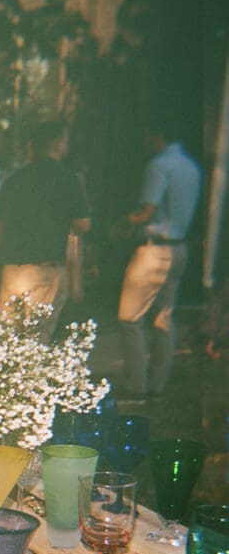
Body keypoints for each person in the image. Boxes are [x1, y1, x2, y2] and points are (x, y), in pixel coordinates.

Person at [116, 124, 201, 399]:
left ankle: (136, 385)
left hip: (154, 249)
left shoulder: (158, 165)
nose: (144, 143)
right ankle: (157, 385)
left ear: (157, 136)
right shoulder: (191, 167)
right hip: (179, 248)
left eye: (146, 137)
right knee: (164, 317)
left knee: (129, 318)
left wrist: (121, 223)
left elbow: (147, 211)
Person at [0, 121, 90, 340]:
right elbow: (83, 224)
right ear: (56, 144)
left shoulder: (14, 179)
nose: (66, 147)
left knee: (9, 339)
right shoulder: (67, 179)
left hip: (12, 269)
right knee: (36, 341)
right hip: (46, 269)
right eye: (65, 142)